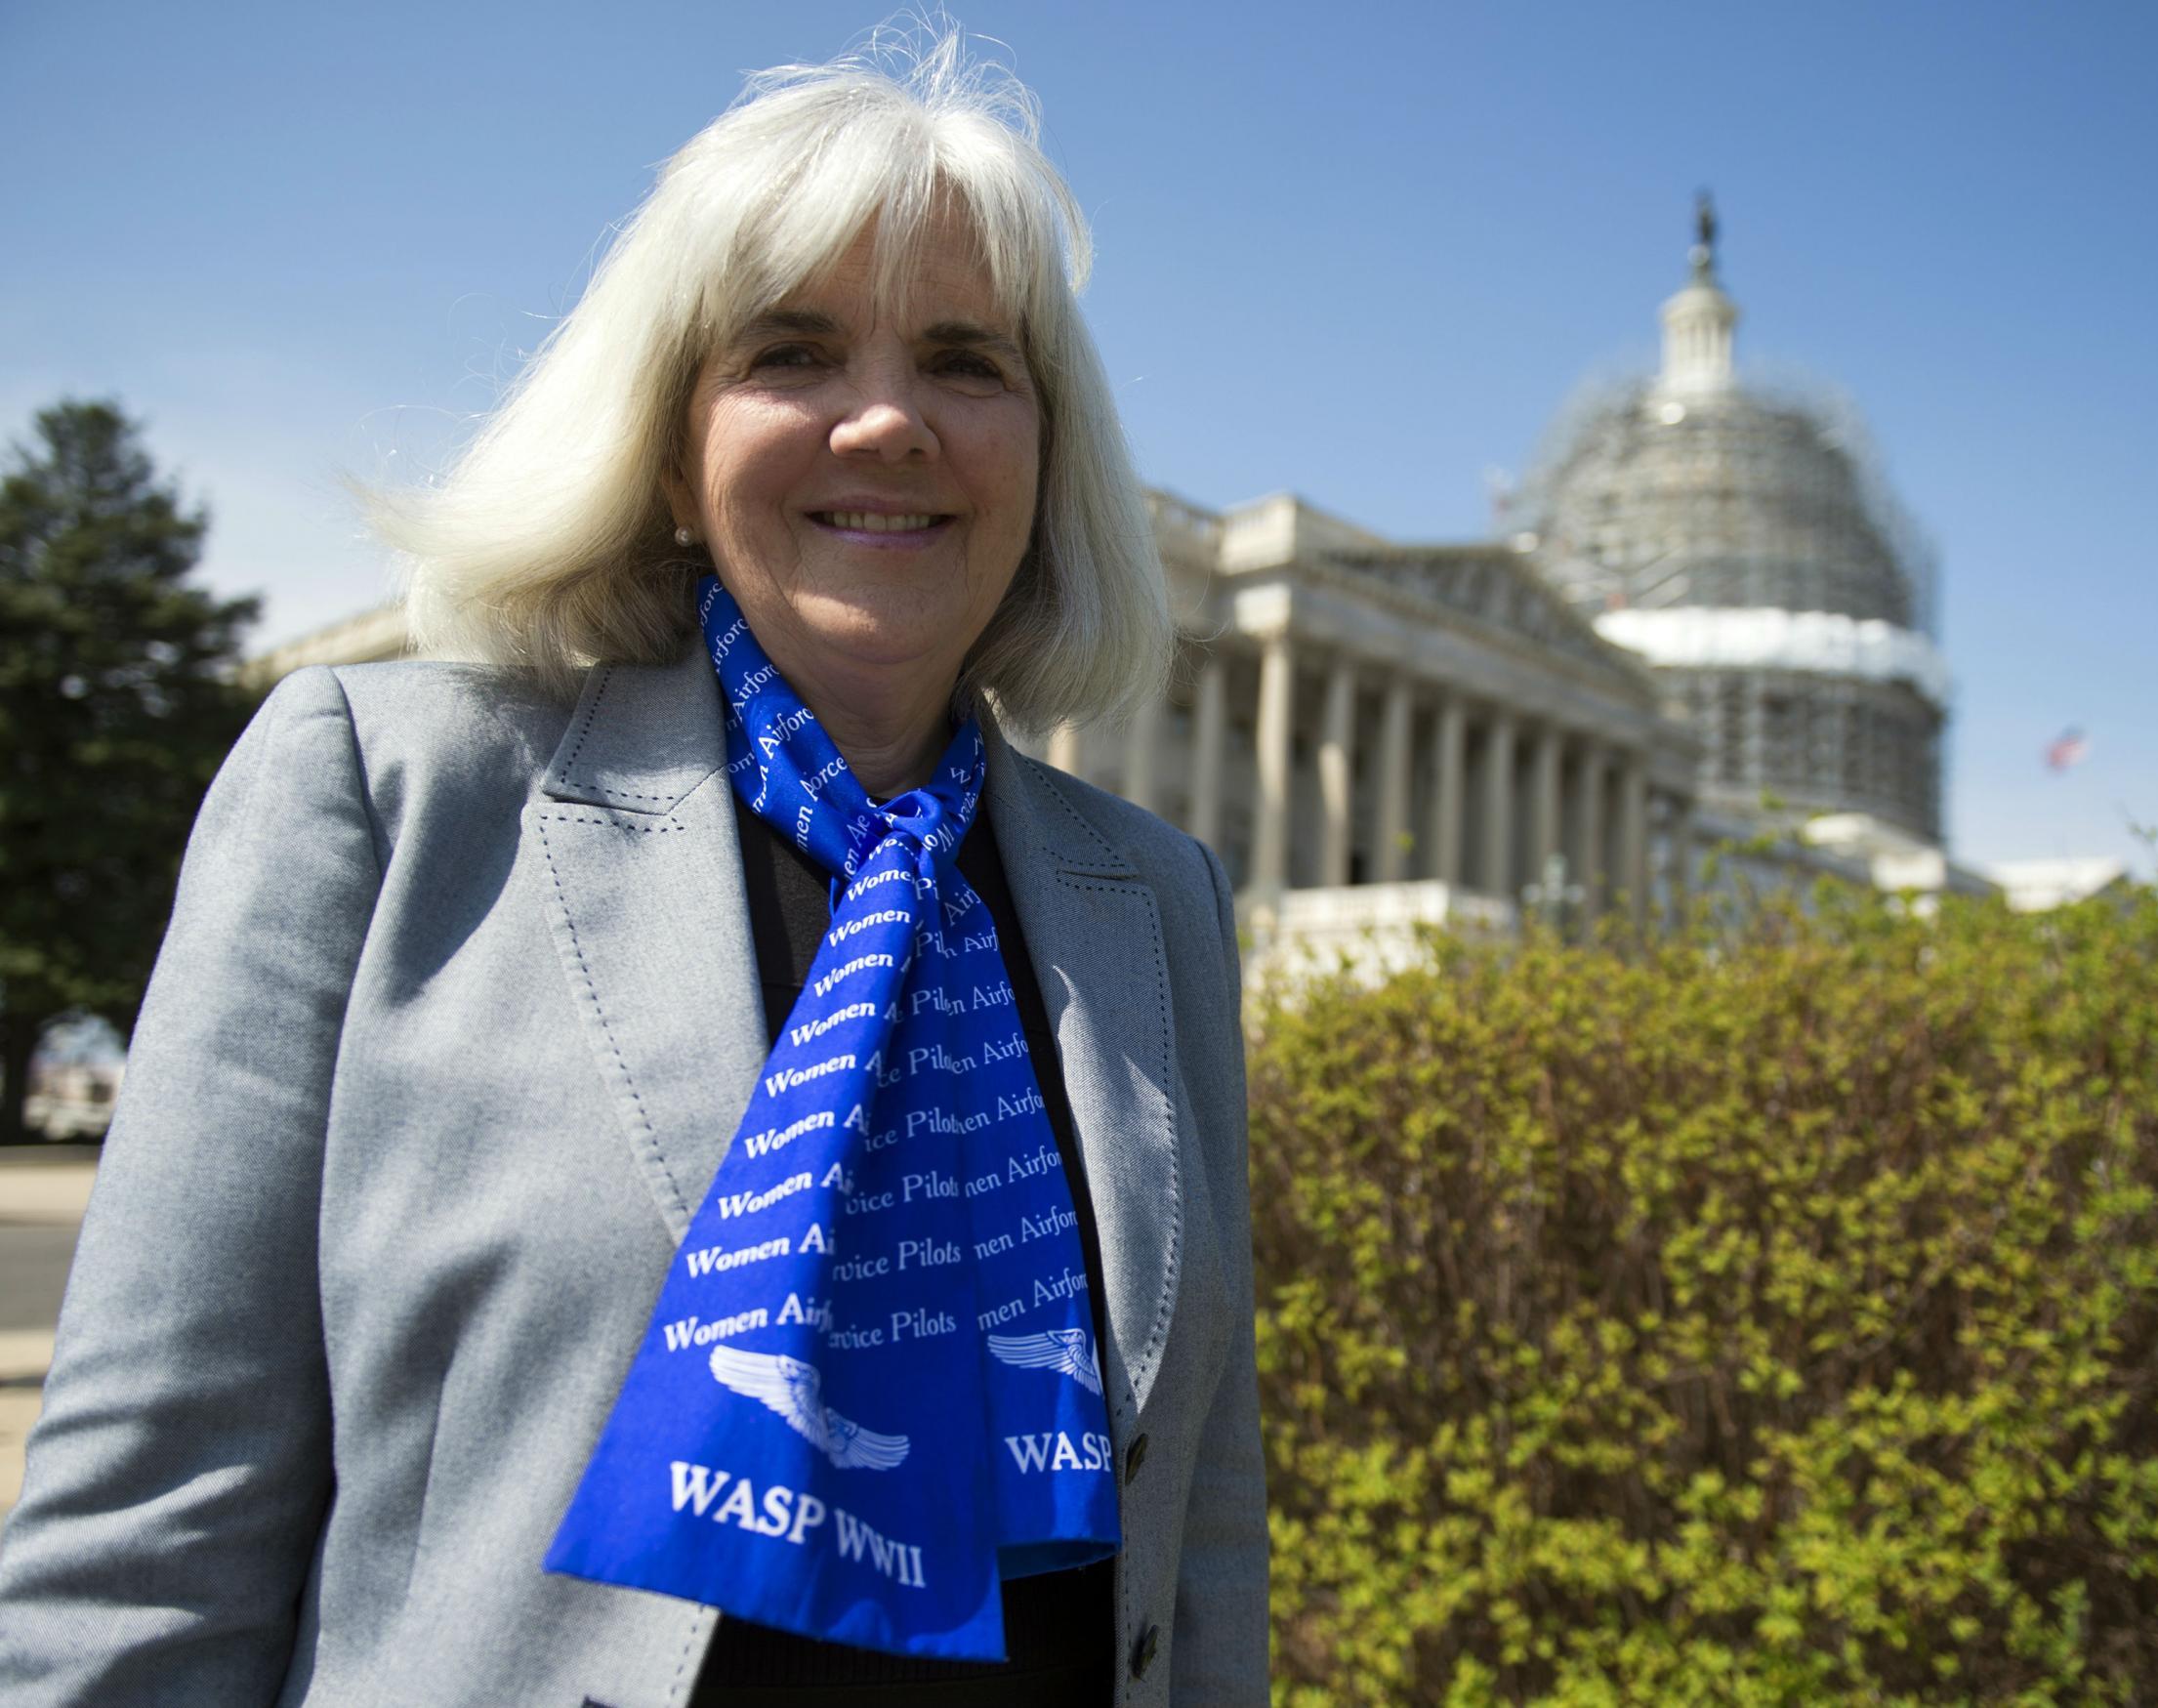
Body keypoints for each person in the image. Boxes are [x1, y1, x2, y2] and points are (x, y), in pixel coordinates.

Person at [0, 26, 1266, 1708]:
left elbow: (1200, 1539)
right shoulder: (389, 798)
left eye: (969, 361)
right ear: (672, 446)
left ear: (1044, 457)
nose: (886, 419)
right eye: (793, 352)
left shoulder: (1149, 900)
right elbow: (146, 1539)